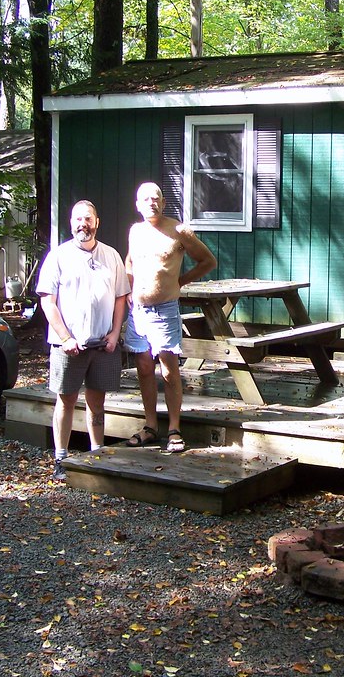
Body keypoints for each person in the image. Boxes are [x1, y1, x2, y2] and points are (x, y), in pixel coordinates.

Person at [36, 199, 130, 480]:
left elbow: (120, 298)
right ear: (71, 223)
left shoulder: (111, 256)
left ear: (97, 223)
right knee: (65, 400)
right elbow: (47, 302)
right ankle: (61, 457)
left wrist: (115, 333)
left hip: (102, 344)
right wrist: (65, 338)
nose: (83, 224)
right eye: (78, 219)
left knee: (97, 402)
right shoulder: (58, 256)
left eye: (88, 219)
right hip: (69, 346)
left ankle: (97, 452)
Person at [123, 182, 217, 452]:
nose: (151, 202)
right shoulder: (135, 231)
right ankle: (150, 426)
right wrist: (130, 289)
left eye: (156, 198)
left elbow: (208, 261)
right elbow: (130, 261)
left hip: (165, 309)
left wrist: (180, 282)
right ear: (137, 205)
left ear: (163, 203)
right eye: (145, 198)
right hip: (138, 311)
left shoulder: (178, 230)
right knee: (142, 367)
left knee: (168, 370)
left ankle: (174, 429)